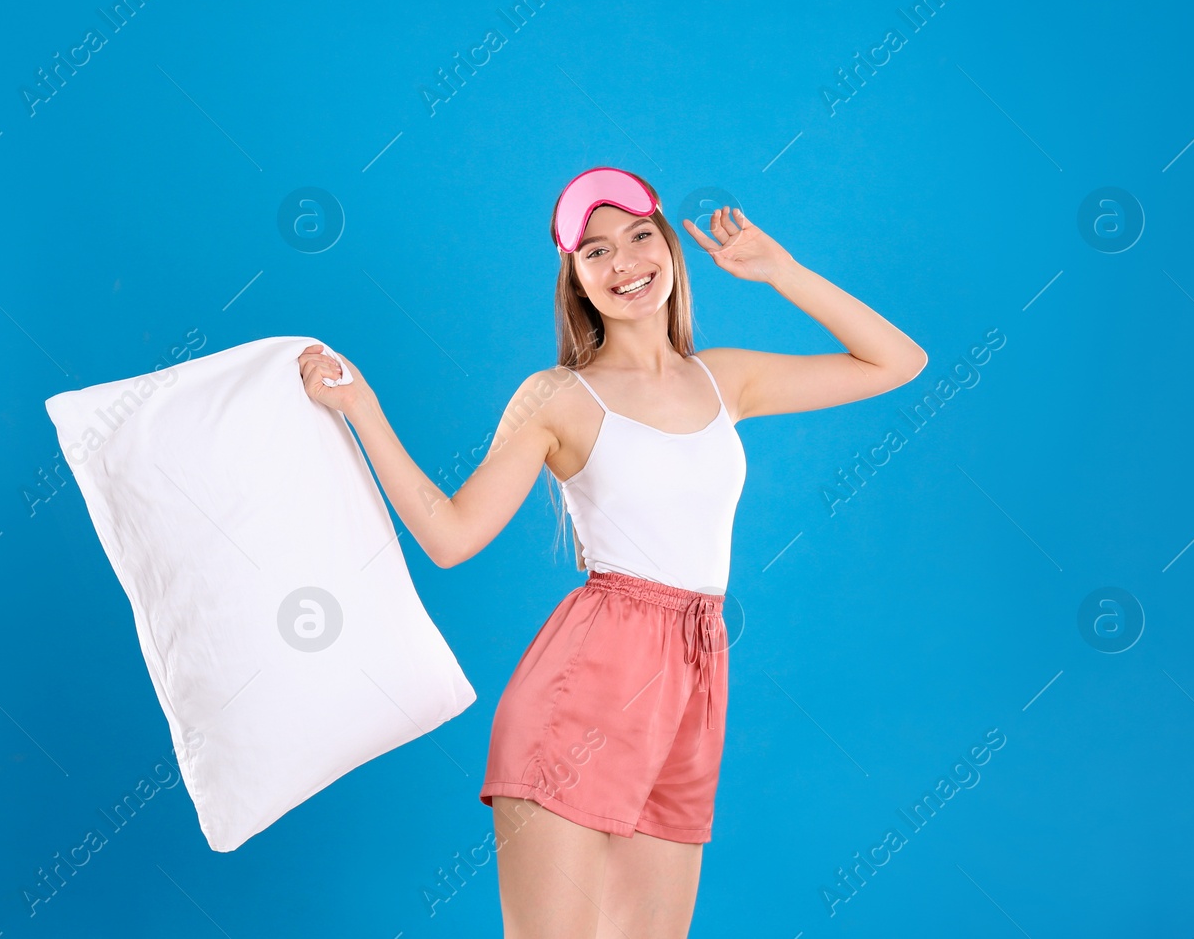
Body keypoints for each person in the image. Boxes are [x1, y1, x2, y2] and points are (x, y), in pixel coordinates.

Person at [298, 166, 926, 939]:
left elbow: (898, 362)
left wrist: (782, 273)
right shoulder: (557, 396)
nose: (624, 263)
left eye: (637, 236)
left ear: (667, 243)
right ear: (576, 280)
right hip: (588, 685)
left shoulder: (724, 379)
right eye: (595, 252)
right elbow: (450, 536)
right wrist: (360, 407)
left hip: (695, 677)